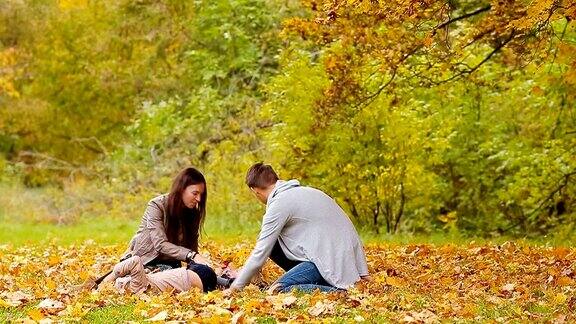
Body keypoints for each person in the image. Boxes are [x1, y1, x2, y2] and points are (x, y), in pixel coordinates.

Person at [227, 163, 369, 294]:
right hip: (341, 262)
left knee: (278, 290)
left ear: (255, 191)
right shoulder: (309, 192)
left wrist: (236, 287)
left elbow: (261, 251)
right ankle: (325, 282)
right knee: (274, 242)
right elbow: (348, 230)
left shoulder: (279, 204)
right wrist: (363, 273)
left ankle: (338, 293)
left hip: (324, 263)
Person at [106, 255, 217, 294]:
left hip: (196, 283)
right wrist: (110, 278)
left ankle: (222, 277)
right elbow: (135, 261)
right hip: (195, 275)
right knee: (213, 273)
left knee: (215, 278)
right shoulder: (137, 287)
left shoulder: (139, 288)